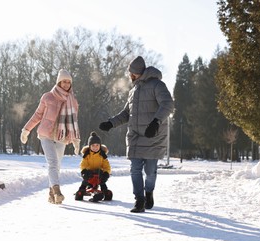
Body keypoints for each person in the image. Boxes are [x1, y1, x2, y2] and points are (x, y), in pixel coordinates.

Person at [99, 56, 173, 213]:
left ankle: (149, 192)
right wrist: (111, 123)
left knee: (151, 172)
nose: (129, 75)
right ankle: (139, 200)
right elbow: (127, 113)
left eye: (131, 72)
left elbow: (168, 104)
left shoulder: (157, 85)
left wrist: (155, 122)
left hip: (153, 135)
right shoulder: (133, 91)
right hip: (135, 136)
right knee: (135, 169)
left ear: (137, 72)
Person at [20, 69, 81, 205]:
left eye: (68, 82)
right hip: (46, 134)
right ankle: (57, 192)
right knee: (52, 163)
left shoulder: (73, 101)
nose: (66, 84)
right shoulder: (48, 97)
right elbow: (37, 115)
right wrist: (26, 129)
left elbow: (74, 122)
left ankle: (51, 194)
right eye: (64, 81)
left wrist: (76, 140)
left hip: (62, 136)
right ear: (59, 82)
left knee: (57, 165)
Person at [75, 131, 112, 202]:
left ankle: (105, 191)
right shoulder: (87, 155)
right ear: (89, 146)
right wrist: (84, 171)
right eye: (93, 145)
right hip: (89, 174)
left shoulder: (102, 155)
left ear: (100, 146)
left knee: (102, 181)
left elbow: (106, 165)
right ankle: (81, 190)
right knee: (85, 181)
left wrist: (106, 173)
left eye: (97, 145)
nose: (95, 147)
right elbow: (83, 164)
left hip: (99, 173)